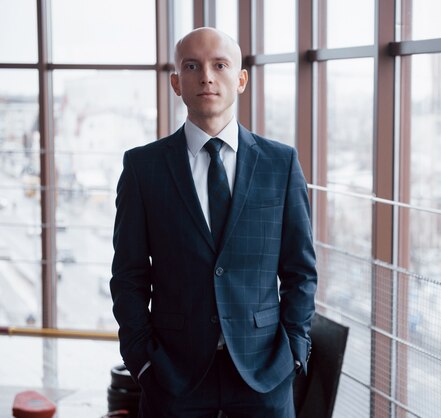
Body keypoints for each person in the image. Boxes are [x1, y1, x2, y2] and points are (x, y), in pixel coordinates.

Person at [110, 27, 317, 418]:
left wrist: (294, 352)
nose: (206, 75)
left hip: (264, 372)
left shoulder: (280, 163)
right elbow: (128, 276)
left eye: (219, 65)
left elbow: (300, 271)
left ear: (240, 79)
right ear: (176, 82)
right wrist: (143, 360)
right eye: (192, 65)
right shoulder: (143, 168)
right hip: (173, 375)